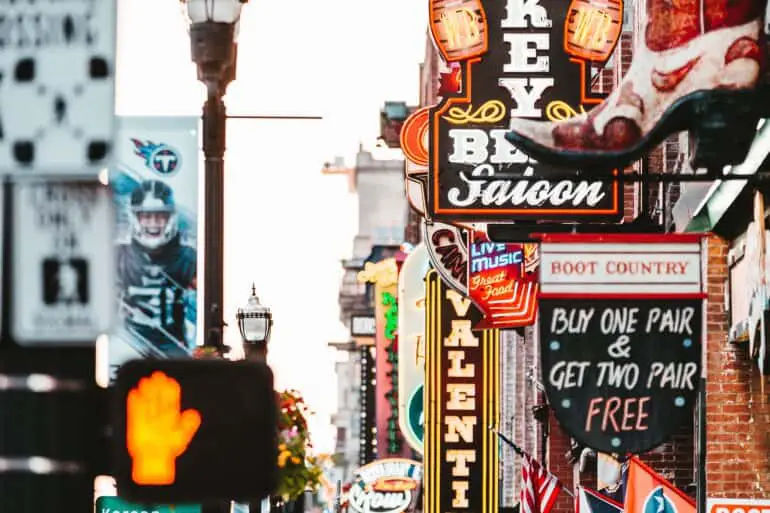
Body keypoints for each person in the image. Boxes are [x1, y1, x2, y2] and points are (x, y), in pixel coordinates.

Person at [116, 179, 197, 356]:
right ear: (135, 218)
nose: (153, 223)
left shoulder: (189, 258)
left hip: (174, 348)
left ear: (170, 218)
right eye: (146, 216)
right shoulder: (117, 257)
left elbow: (204, 306)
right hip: (127, 346)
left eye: (160, 216)